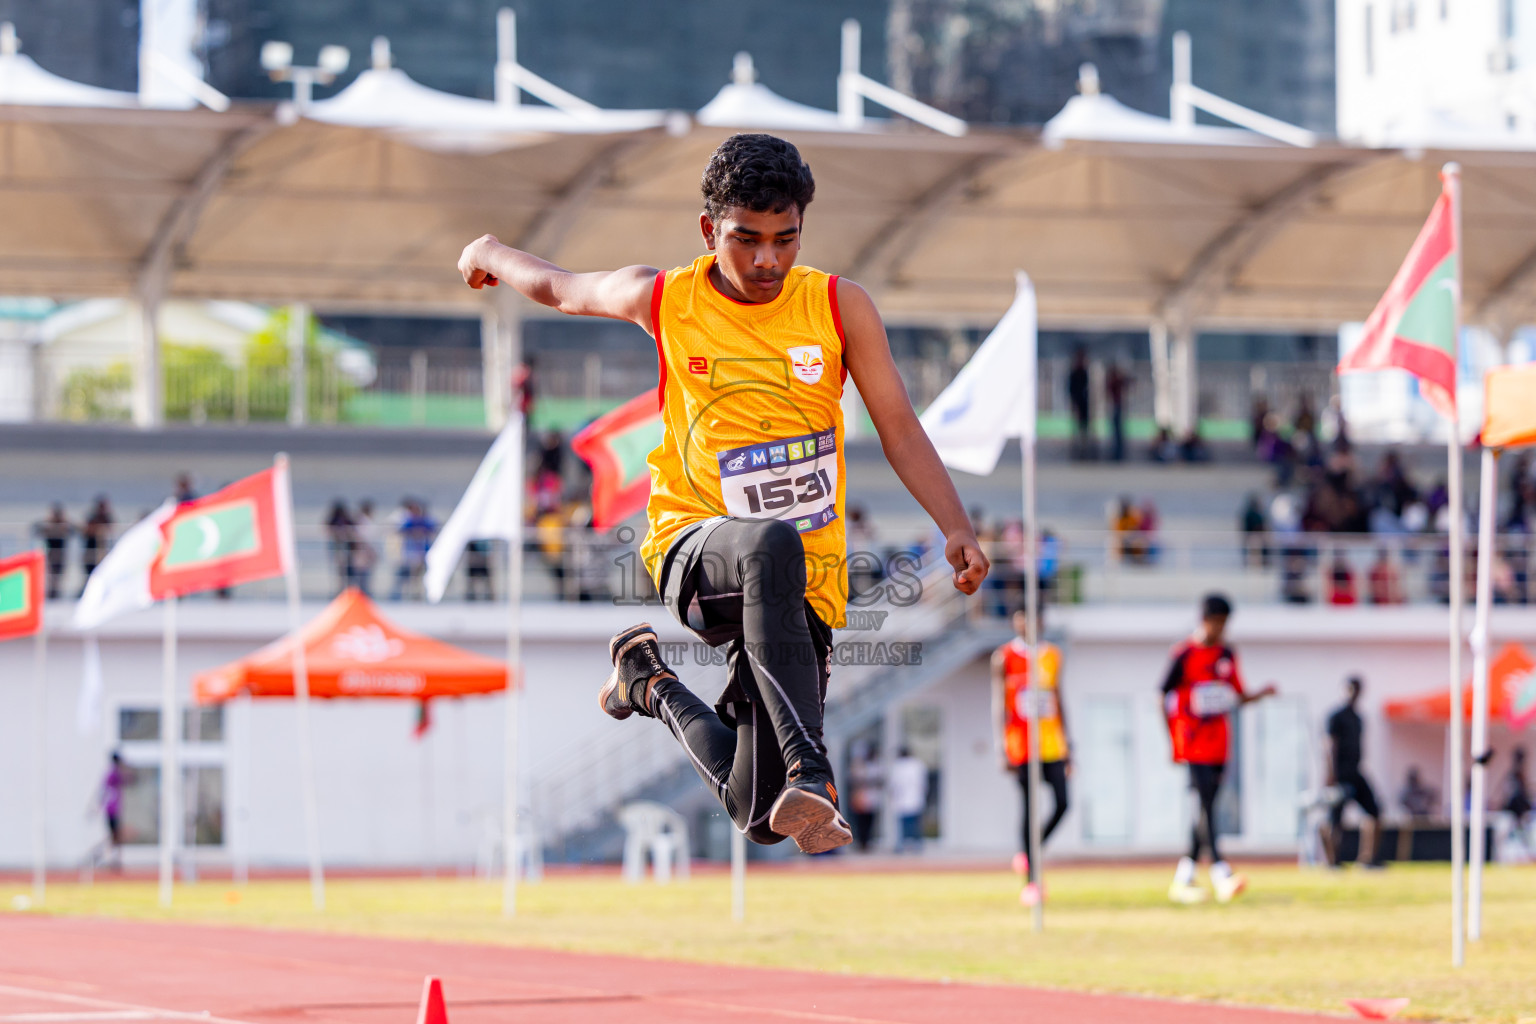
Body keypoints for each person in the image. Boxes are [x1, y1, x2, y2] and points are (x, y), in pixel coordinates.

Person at [456, 133, 988, 855]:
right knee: (768, 543)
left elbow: (896, 423)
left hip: (807, 585)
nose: (768, 260)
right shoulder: (666, 297)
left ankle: (647, 683)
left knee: (758, 813)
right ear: (710, 231)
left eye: (785, 239)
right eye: (747, 240)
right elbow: (560, 286)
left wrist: (953, 525)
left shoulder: (838, 306)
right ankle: (815, 772)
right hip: (693, 547)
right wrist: (488, 252)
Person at [1161, 593, 1277, 904]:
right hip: (1192, 743)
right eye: (1218, 622)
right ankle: (1220, 872)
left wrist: (1261, 695)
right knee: (1207, 804)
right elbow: (1164, 694)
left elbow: (1236, 696)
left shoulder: (1227, 654)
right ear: (1205, 620)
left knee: (1206, 806)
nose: (1222, 629)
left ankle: (1184, 877)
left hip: (1218, 744)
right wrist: (1172, 740)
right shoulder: (1184, 654)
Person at [992, 606, 1070, 907]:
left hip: (1052, 743)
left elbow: (1058, 697)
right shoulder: (1005, 657)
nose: (1029, 623)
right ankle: (1033, 882)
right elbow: (999, 702)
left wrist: (1069, 745)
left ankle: (1030, 850)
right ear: (1016, 620)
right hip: (1022, 744)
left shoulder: (1052, 655)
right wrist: (1002, 746)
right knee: (1028, 806)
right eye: (1023, 617)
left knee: (1063, 803)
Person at [1323, 676, 1383, 868]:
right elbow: (1329, 745)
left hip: (1356, 772)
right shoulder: (1336, 716)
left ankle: (1367, 859)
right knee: (1335, 819)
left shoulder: (1358, 718)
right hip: (1340, 774)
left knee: (1374, 811)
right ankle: (1333, 861)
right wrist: (1331, 774)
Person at [87, 752, 130, 872]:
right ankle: (107, 858)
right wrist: (98, 806)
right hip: (112, 810)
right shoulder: (114, 774)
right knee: (115, 836)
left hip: (113, 810)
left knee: (115, 837)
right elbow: (106, 790)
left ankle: (112, 859)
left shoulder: (113, 774)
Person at [889, 747, 930, 853]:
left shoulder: (897, 766)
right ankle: (917, 845)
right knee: (915, 824)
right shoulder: (917, 765)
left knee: (903, 825)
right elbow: (923, 783)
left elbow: (893, 785)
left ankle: (901, 845)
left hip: (902, 799)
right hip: (915, 798)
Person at [846, 741, 884, 852]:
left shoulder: (876, 765)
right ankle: (861, 842)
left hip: (871, 799)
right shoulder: (859, 765)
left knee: (869, 822)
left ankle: (867, 842)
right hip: (861, 798)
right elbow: (854, 780)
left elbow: (880, 780)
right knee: (860, 822)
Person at [34, 503, 74, 600]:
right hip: (50, 553)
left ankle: (56, 590)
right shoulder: (47, 525)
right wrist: (47, 522)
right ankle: (51, 591)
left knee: (59, 572)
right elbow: (36, 529)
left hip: (60, 552)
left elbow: (73, 531)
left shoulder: (64, 525)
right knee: (50, 573)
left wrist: (64, 523)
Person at [79, 495, 114, 595]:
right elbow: (86, 532)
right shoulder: (92, 518)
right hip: (91, 549)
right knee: (90, 573)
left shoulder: (107, 518)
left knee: (102, 572)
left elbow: (110, 531)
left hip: (102, 550)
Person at [324, 500, 355, 595]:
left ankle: (346, 590)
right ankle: (341, 590)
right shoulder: (334, 520)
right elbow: (327, 530)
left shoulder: (346, 519)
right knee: (340, 570)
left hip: (346, 546)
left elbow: (352, 531)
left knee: (347, 570)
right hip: (337, 546)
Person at [1067, 347, 1092, 460]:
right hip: (1078, 406)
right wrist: (1074, 405)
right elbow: (1072, 391)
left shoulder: (1084, 372)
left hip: (1084, 406)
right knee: (1077, 431)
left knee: (1084, 430)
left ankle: (1084, 451)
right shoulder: (1075, 373)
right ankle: (1077, 452)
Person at [351, 499, 380, 595]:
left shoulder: (364, 520)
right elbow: (361, 538)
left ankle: (363, 595)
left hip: (365, 551)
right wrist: (370, 551)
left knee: (364, 577)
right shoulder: (363, 521)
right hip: (363, 551)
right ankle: (361, 596)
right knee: (361, 577)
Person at [1105, 361, 1129, 462]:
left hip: (1117, 407)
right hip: (1115, 407)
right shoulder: (1113, 381)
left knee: (1118, 433)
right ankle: (1117, 454)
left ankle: (1118, 454)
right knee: (1117, 433)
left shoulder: (1116, 380)